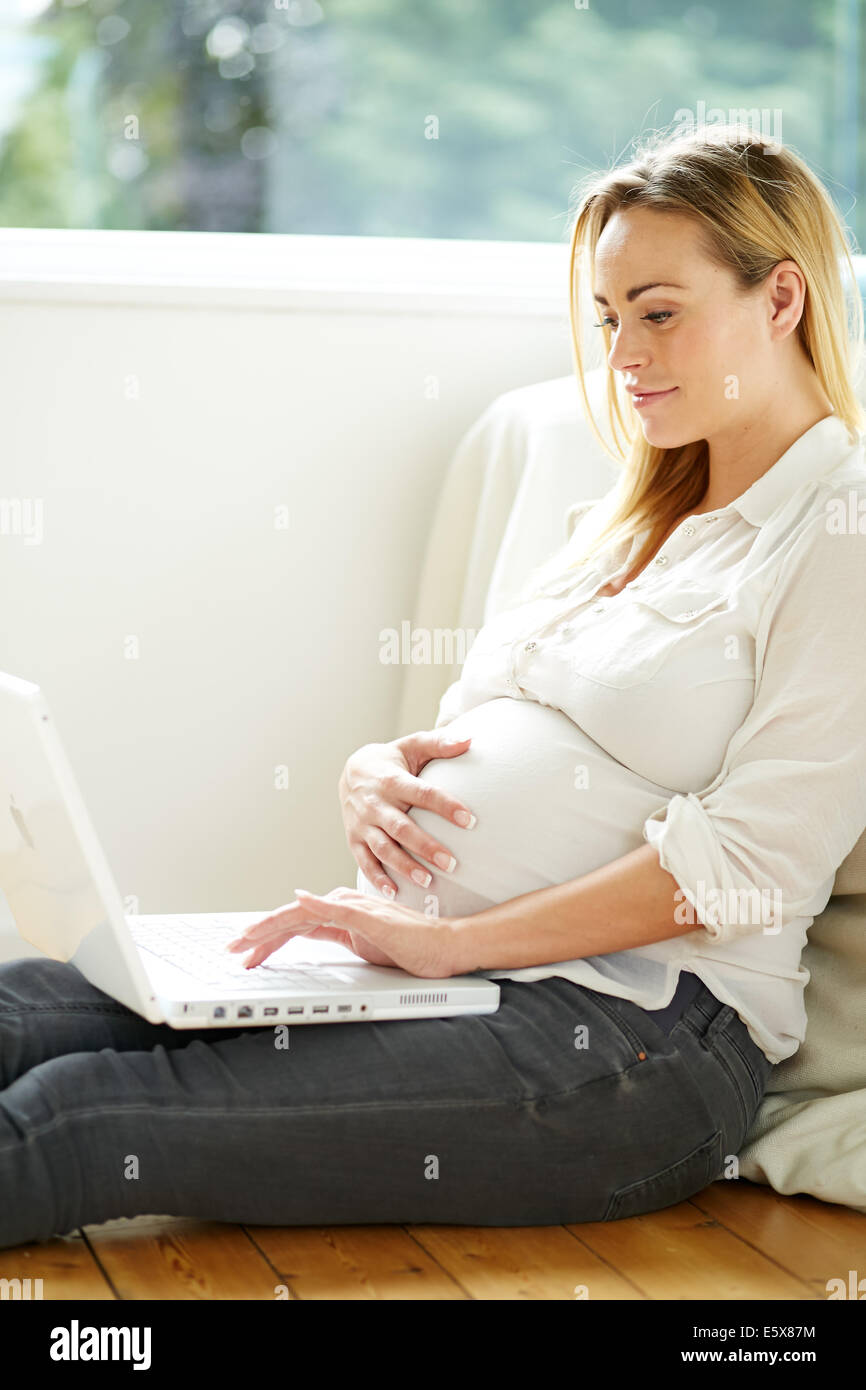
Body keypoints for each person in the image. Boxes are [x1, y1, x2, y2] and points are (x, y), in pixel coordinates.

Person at [2, 123, 865, 1248]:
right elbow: (477, 730)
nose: (623, 356)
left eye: (657, 312)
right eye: (609, 320)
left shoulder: (834, 529)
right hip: (434, 971)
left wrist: (455, 942)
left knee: (79, 1119)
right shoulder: (628, 519)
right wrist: (374, 774)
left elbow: (752, 869)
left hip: (635, 1043)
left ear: (781, 300)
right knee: (22, 1007)